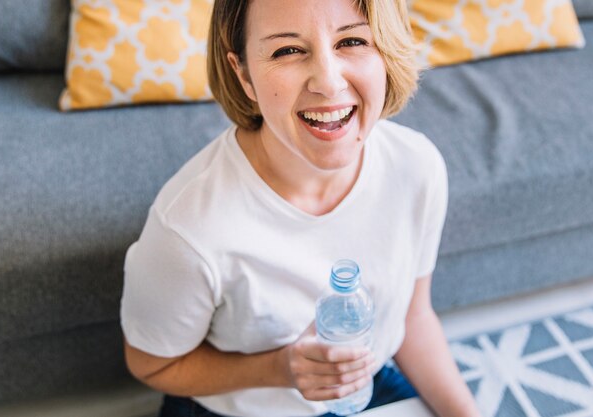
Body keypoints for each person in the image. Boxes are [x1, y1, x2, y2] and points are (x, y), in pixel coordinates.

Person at [120, 0, 482, 416]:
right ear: (244, 76)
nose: (328, 83)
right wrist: (280, 369)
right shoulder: (186, 231)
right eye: (287, 50)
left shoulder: (418, 167)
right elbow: (152, 363)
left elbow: (412, 319)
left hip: (366, 383)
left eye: (352, 40)